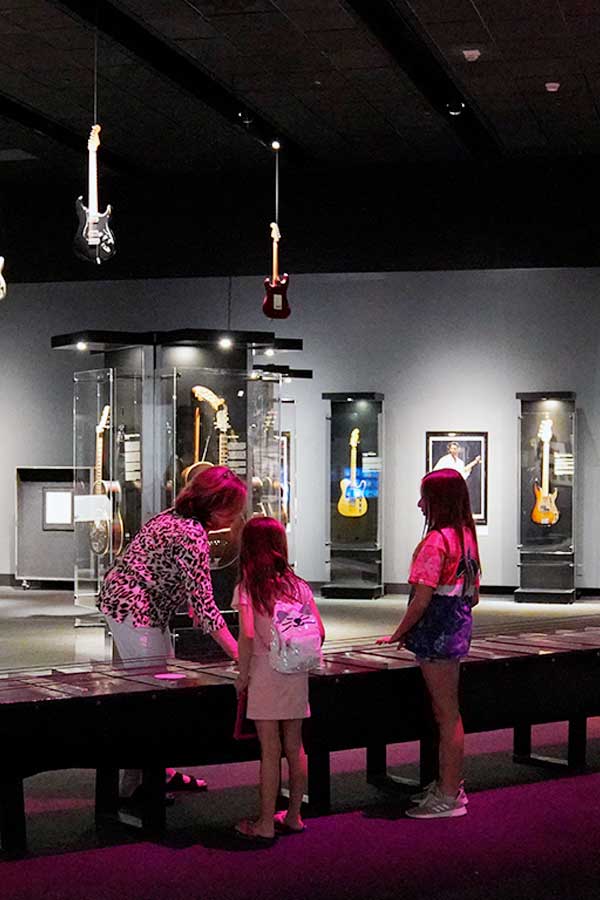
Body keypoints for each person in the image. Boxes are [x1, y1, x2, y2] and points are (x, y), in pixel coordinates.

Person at [97, 465, 247, 801]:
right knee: (153, 696)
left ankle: (144, 776)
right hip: (135, 610)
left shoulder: (173, 517)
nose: (237, 517)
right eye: (234, 510)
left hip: (131, 606)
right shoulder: (191, 533)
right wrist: (240, 656)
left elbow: (193, 597)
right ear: (216, 505)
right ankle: (141, 781)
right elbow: (206, 609)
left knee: (145, 692)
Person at [378, 468, 480, 819]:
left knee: (446, 714)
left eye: (425, 498)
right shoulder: (466, 536)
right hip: (455, 629)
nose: (420, 504)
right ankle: (447, 785)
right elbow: (474, 596)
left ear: (439, 501)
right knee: (446, 712)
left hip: (436, 636)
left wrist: (398, 632)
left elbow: (421, 600)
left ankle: (450, 793)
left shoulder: (437, 541)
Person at [232, 517, 325, 843]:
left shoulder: (248, 588)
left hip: (264, 672)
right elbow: (320, 632)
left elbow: (246, 634)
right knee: (296, 746)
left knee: (269, 750)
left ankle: (265, 823)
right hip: (296, 672)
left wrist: (242, 676)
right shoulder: (298, 586)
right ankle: (295, 816)